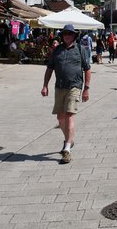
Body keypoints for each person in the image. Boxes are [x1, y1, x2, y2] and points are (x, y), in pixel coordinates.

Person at [41, 24, 91, 164]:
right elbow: (50, 68)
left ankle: (67, 149)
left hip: (74, 87)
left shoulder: (80, 49)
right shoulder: (57, 50)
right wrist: (45, 85)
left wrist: (86, 88)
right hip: (59, 87)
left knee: (69, 115)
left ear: (74, 35)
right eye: (65, 34)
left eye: (70, 33)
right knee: (60, 118)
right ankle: (70, 139)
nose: (67, 36)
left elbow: (87, 69)